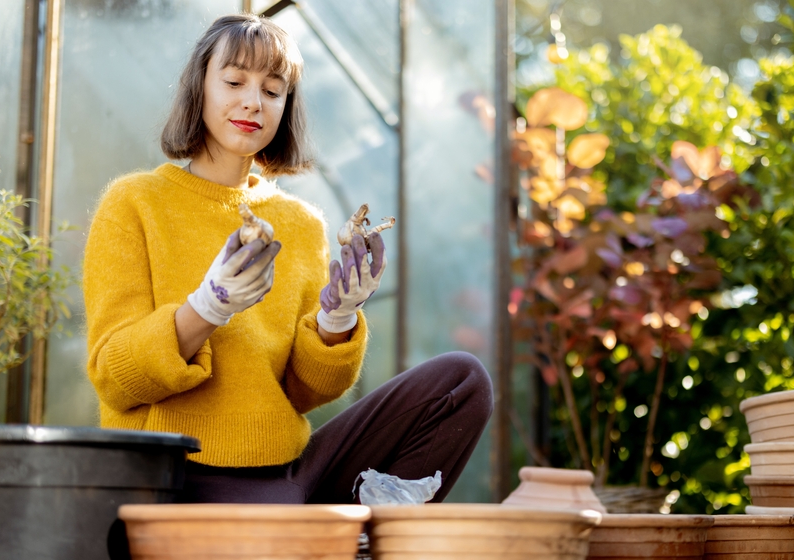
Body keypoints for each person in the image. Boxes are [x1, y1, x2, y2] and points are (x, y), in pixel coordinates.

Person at [83, 13, 492, 508]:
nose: (253, 102)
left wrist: (337, 319)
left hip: (286, 473)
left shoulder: (300, 223)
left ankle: (378, 535)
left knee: (461, 381)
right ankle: (340, 542)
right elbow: (114, 377)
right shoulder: (134, 203)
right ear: (199, 87)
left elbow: (304, 391)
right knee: (277, 527)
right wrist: (207, 308)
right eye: (234, 81)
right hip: (175, 474)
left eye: (273, 91)